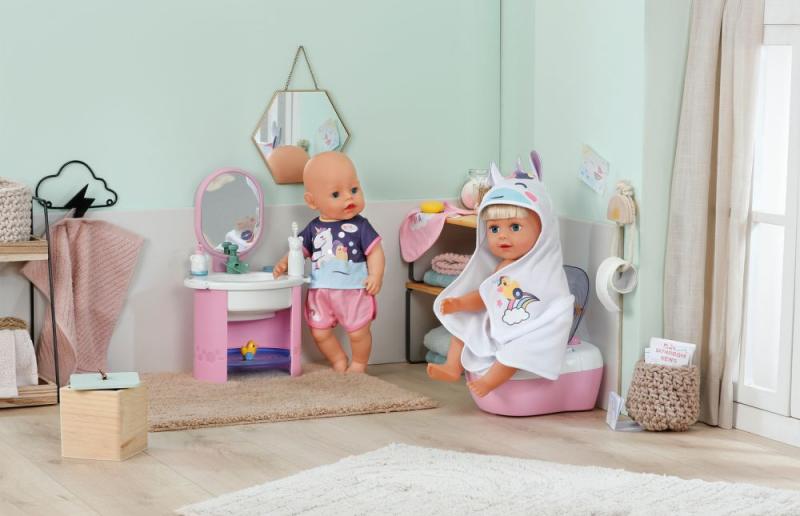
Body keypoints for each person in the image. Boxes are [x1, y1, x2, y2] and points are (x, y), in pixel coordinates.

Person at [427, 154, 574, 397]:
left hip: (532, 330)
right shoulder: (502, 267)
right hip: (504, 321)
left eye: (515, 227)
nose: (502, 236)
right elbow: (487, 298)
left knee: (517, 351)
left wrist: (531, 327)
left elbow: (551, 305)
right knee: (465, 326)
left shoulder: (544, 269)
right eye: (494, 229)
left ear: (543, 229)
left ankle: (489, 382)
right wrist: (460, 304)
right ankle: (452, 366)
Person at [273, 152, 385, 374]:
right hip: (320, 292)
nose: (349, 198)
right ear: (312, 201)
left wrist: (376, 275)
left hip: (354, 290)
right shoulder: (314, 228)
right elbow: (298, 250)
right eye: (336, 194)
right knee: (320, 332)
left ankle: (359, 364)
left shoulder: (361, 226)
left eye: (354, 189)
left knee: (358, 333)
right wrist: (284, 263)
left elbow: (375, 252)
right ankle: (338, 359)